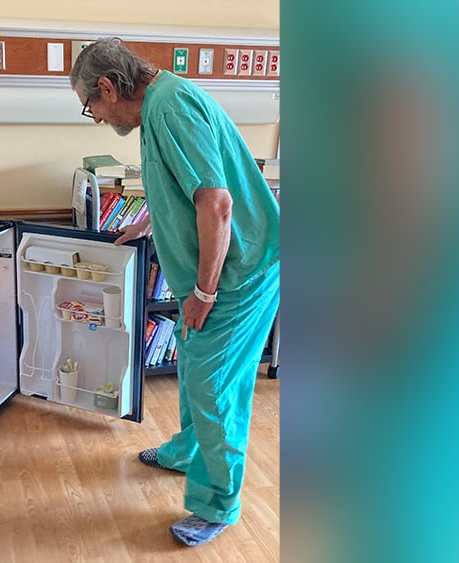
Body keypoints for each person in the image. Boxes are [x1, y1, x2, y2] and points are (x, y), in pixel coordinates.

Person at [70, 37, 280, 547]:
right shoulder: (158, 105)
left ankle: (217, 505)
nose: (94, 116)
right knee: (193, 363)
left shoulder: (171, 107)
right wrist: (147, 222)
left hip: (239, 275)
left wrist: (204, 294)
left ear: (107, 86)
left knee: (215, 389)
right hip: (220, 273)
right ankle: (189, 449)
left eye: (90, 105)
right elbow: (178, 187)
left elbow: (217, 205)